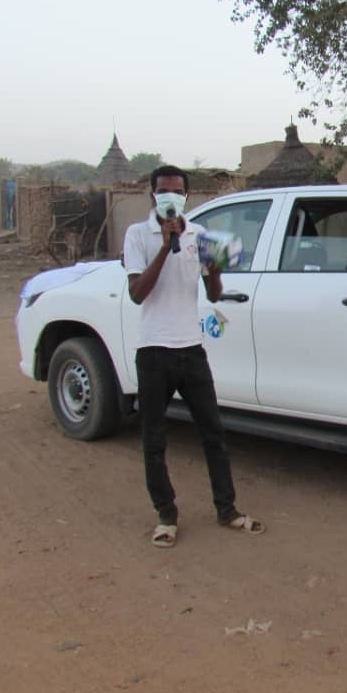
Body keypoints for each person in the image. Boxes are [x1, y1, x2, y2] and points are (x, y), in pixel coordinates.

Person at [123, 165, 264, 547]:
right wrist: (165, 249)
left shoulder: (200, 235)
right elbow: (138, 293)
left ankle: (227, 509)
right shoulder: (138, 235)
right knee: (154, 440)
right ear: (153, 195)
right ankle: (166, 515)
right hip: (154, 352)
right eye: (164, 191)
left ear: (188, 195)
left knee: (213, 435)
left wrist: (216, 269)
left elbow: (214, 294)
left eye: (178, 191)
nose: (172, 197)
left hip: (191, 351)